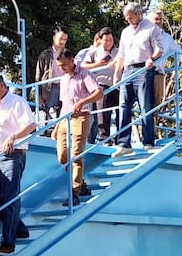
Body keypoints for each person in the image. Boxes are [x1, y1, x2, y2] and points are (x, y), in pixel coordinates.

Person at [0, 68, 37, 256]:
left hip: (12, 155)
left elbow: (30, 124)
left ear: (2, 85)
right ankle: (18, 228)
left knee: (10, 198)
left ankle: (8, 242)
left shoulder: (16, 102)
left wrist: (14, 137)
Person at [112, 2, 164, 157]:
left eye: (130, 17)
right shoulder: (125, 32)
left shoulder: (151, 28)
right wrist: (117, 74)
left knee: (145, 106)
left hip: (144, 69)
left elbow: (159, 49)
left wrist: (151, 58)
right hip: (127, 70)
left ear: (138, 14)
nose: (128, 20)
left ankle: (148, 141)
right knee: (124, 106)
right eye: (126, 18)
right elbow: (121, 54)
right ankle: (124, 143)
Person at [53, 49, 103, 206]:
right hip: (65, 118)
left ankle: (74, 192)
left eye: (65, 65)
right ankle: (82, 184)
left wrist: (82, 101)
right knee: (62, 156)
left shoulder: (84, 73)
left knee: (76, 154)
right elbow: (63, 104)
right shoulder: (63, 79)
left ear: (72, 60)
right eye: (60, 66)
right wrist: (56, 126)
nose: (63, 69)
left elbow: (99, 93)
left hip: (81, 117)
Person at [147, 9, 182, 125]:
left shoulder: (167, 37)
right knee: (140, 104)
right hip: (141, 72)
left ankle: (151, 135)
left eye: (160, 19)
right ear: (149, 21)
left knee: (155, 105)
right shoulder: (143, 33)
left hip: (158, 73)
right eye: (156, 19)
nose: (158, 22)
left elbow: (178, 53)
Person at [81, 27, 119, 144]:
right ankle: (104, 139)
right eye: (106, 40)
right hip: (102, 85)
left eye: (110, 40)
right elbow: (83, 66)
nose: (108, 43)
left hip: (117, 84)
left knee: (120, 112)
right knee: (103, 114)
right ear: (100, 40)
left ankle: (120, 139)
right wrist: (98, 64)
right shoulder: (94, 52)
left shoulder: (118, 51)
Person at [35, 25, 68, 120]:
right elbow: (38, 76)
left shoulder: (67, 54)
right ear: (54, 37)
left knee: (64, 114)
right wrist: (39, 96)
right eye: (60, 39)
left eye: (65, 39)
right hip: (50, 88)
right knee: (49, 114)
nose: (63, 42)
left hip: (64, 86)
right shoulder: (45, 54)